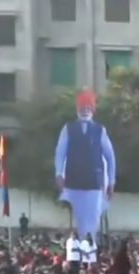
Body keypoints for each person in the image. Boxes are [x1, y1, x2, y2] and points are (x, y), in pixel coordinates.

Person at [54, 89, 116, 242]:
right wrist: (58, 174)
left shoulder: (100, 130)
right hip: (74, 180)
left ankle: (90, 252)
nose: (85, 111)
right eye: (82, 108)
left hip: (94, 181)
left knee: (92, 219)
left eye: (88, 108)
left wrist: (112, 181)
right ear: (77, 110)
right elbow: (60, 153)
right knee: (79, 219)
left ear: (92, 110)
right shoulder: (68, 129)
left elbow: (110, 157)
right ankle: (80, 253)